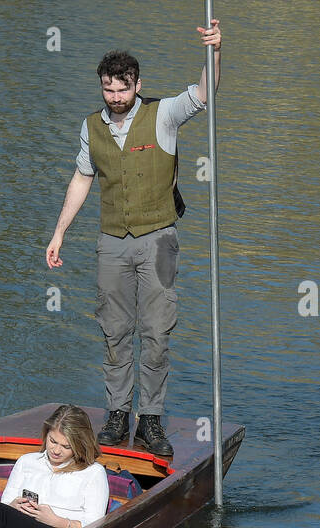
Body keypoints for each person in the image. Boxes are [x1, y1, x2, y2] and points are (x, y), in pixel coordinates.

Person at [45, 19, 223, 458]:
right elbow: (81, 179)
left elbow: (204, 93)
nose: (116, 97)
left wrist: (215, 52)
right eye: (108, 90)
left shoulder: (163, 113)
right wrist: (59, 233)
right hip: (111, 242)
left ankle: (151, 421)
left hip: (158, 239)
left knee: (156, 333)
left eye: (123, 89)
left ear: (137, 85)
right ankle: (118, 414)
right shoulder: (91, 127)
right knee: (114, 332)